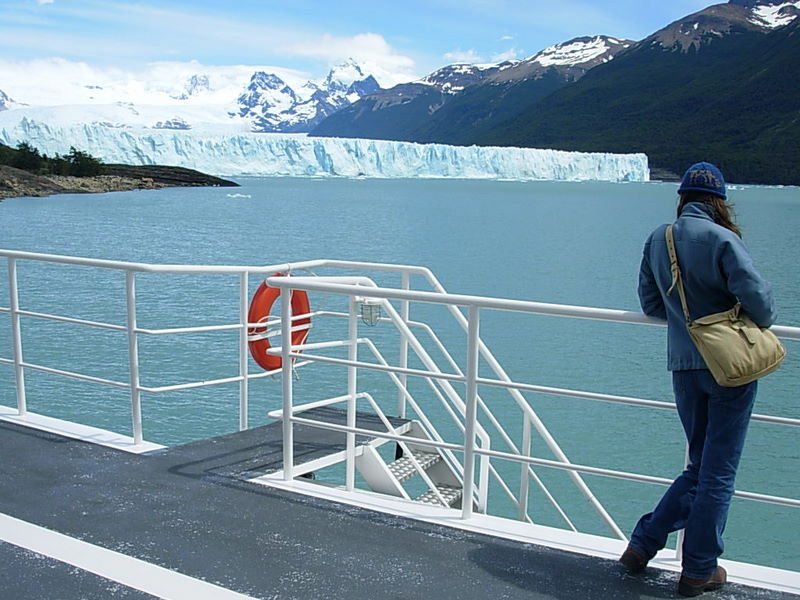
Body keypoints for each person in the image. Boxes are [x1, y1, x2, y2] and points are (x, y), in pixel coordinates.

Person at [619, 162, 778, 597]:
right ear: (718, 201)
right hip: (730, 369)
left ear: (683, 198)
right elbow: (762, 307)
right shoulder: (724, 240)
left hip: (684, 367)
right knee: (718, 472)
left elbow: (651, 304)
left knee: (700, 465)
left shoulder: (658, 239)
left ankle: (643, 544)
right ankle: (699, 570)